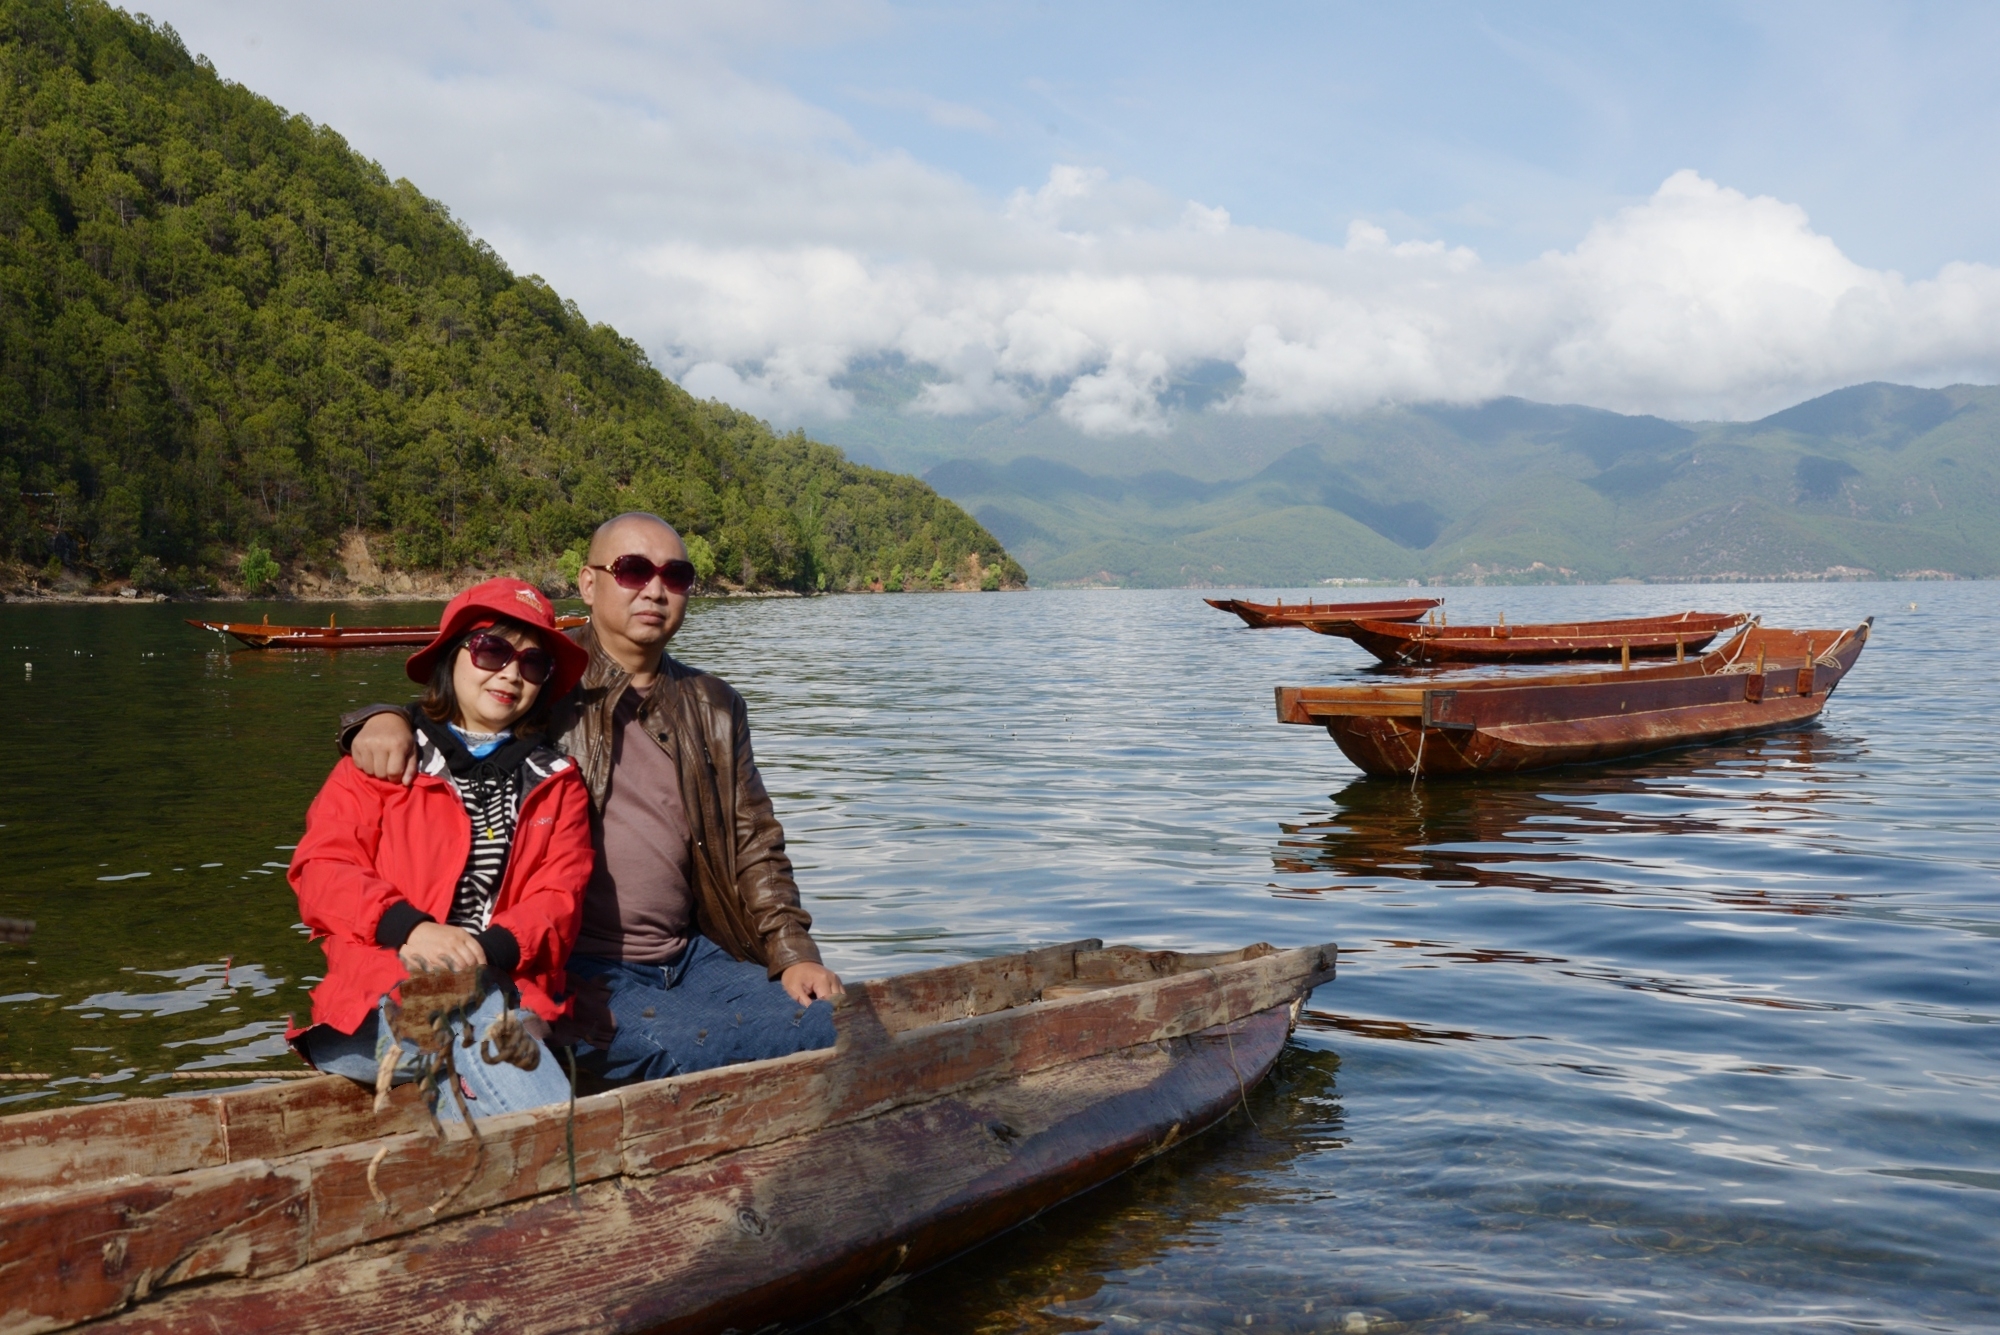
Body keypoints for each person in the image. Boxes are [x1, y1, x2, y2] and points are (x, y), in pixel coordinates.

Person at [345, 513, 841, 1084]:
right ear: (588, 583)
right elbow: (451, 717)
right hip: (573, 964)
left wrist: (793, 951)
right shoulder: (543, 680)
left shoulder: (715, 706)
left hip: (690, 954)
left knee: (826, 1025)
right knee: (679, 1053)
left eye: (675, 576)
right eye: (633, 570)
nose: (655, 589)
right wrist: (375, 719)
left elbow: (755, 838)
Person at [290, 578, 595, 1119]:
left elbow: (561, 894)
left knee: (471, 1024)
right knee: (463, 1016)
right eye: (491, 650)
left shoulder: (558, 780)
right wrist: (409, 929)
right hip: (378, 1007)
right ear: (451, 658)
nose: (509, 672)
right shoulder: (380, 760)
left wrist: (489, 951)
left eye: (531, 663)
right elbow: (322, 870)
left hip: (501, 998)